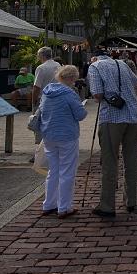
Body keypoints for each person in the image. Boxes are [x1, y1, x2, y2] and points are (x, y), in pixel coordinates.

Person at [87, 48, 137, 217]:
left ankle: (107, 205)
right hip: (133, 114)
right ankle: (131, 201)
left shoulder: (95, 67)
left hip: (112, 117)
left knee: (110, 160)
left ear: (94, 57)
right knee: (131, 160)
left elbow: (97, 94)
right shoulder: (123, 64)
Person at [38, 65, 87, 219]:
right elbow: (80, 114)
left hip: (48, 134)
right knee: (67, 171)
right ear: (71, 78)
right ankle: (64, 207)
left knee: (53, 170)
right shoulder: (69, 94)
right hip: (66, 135)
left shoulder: (47, 92)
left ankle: (48, 204)